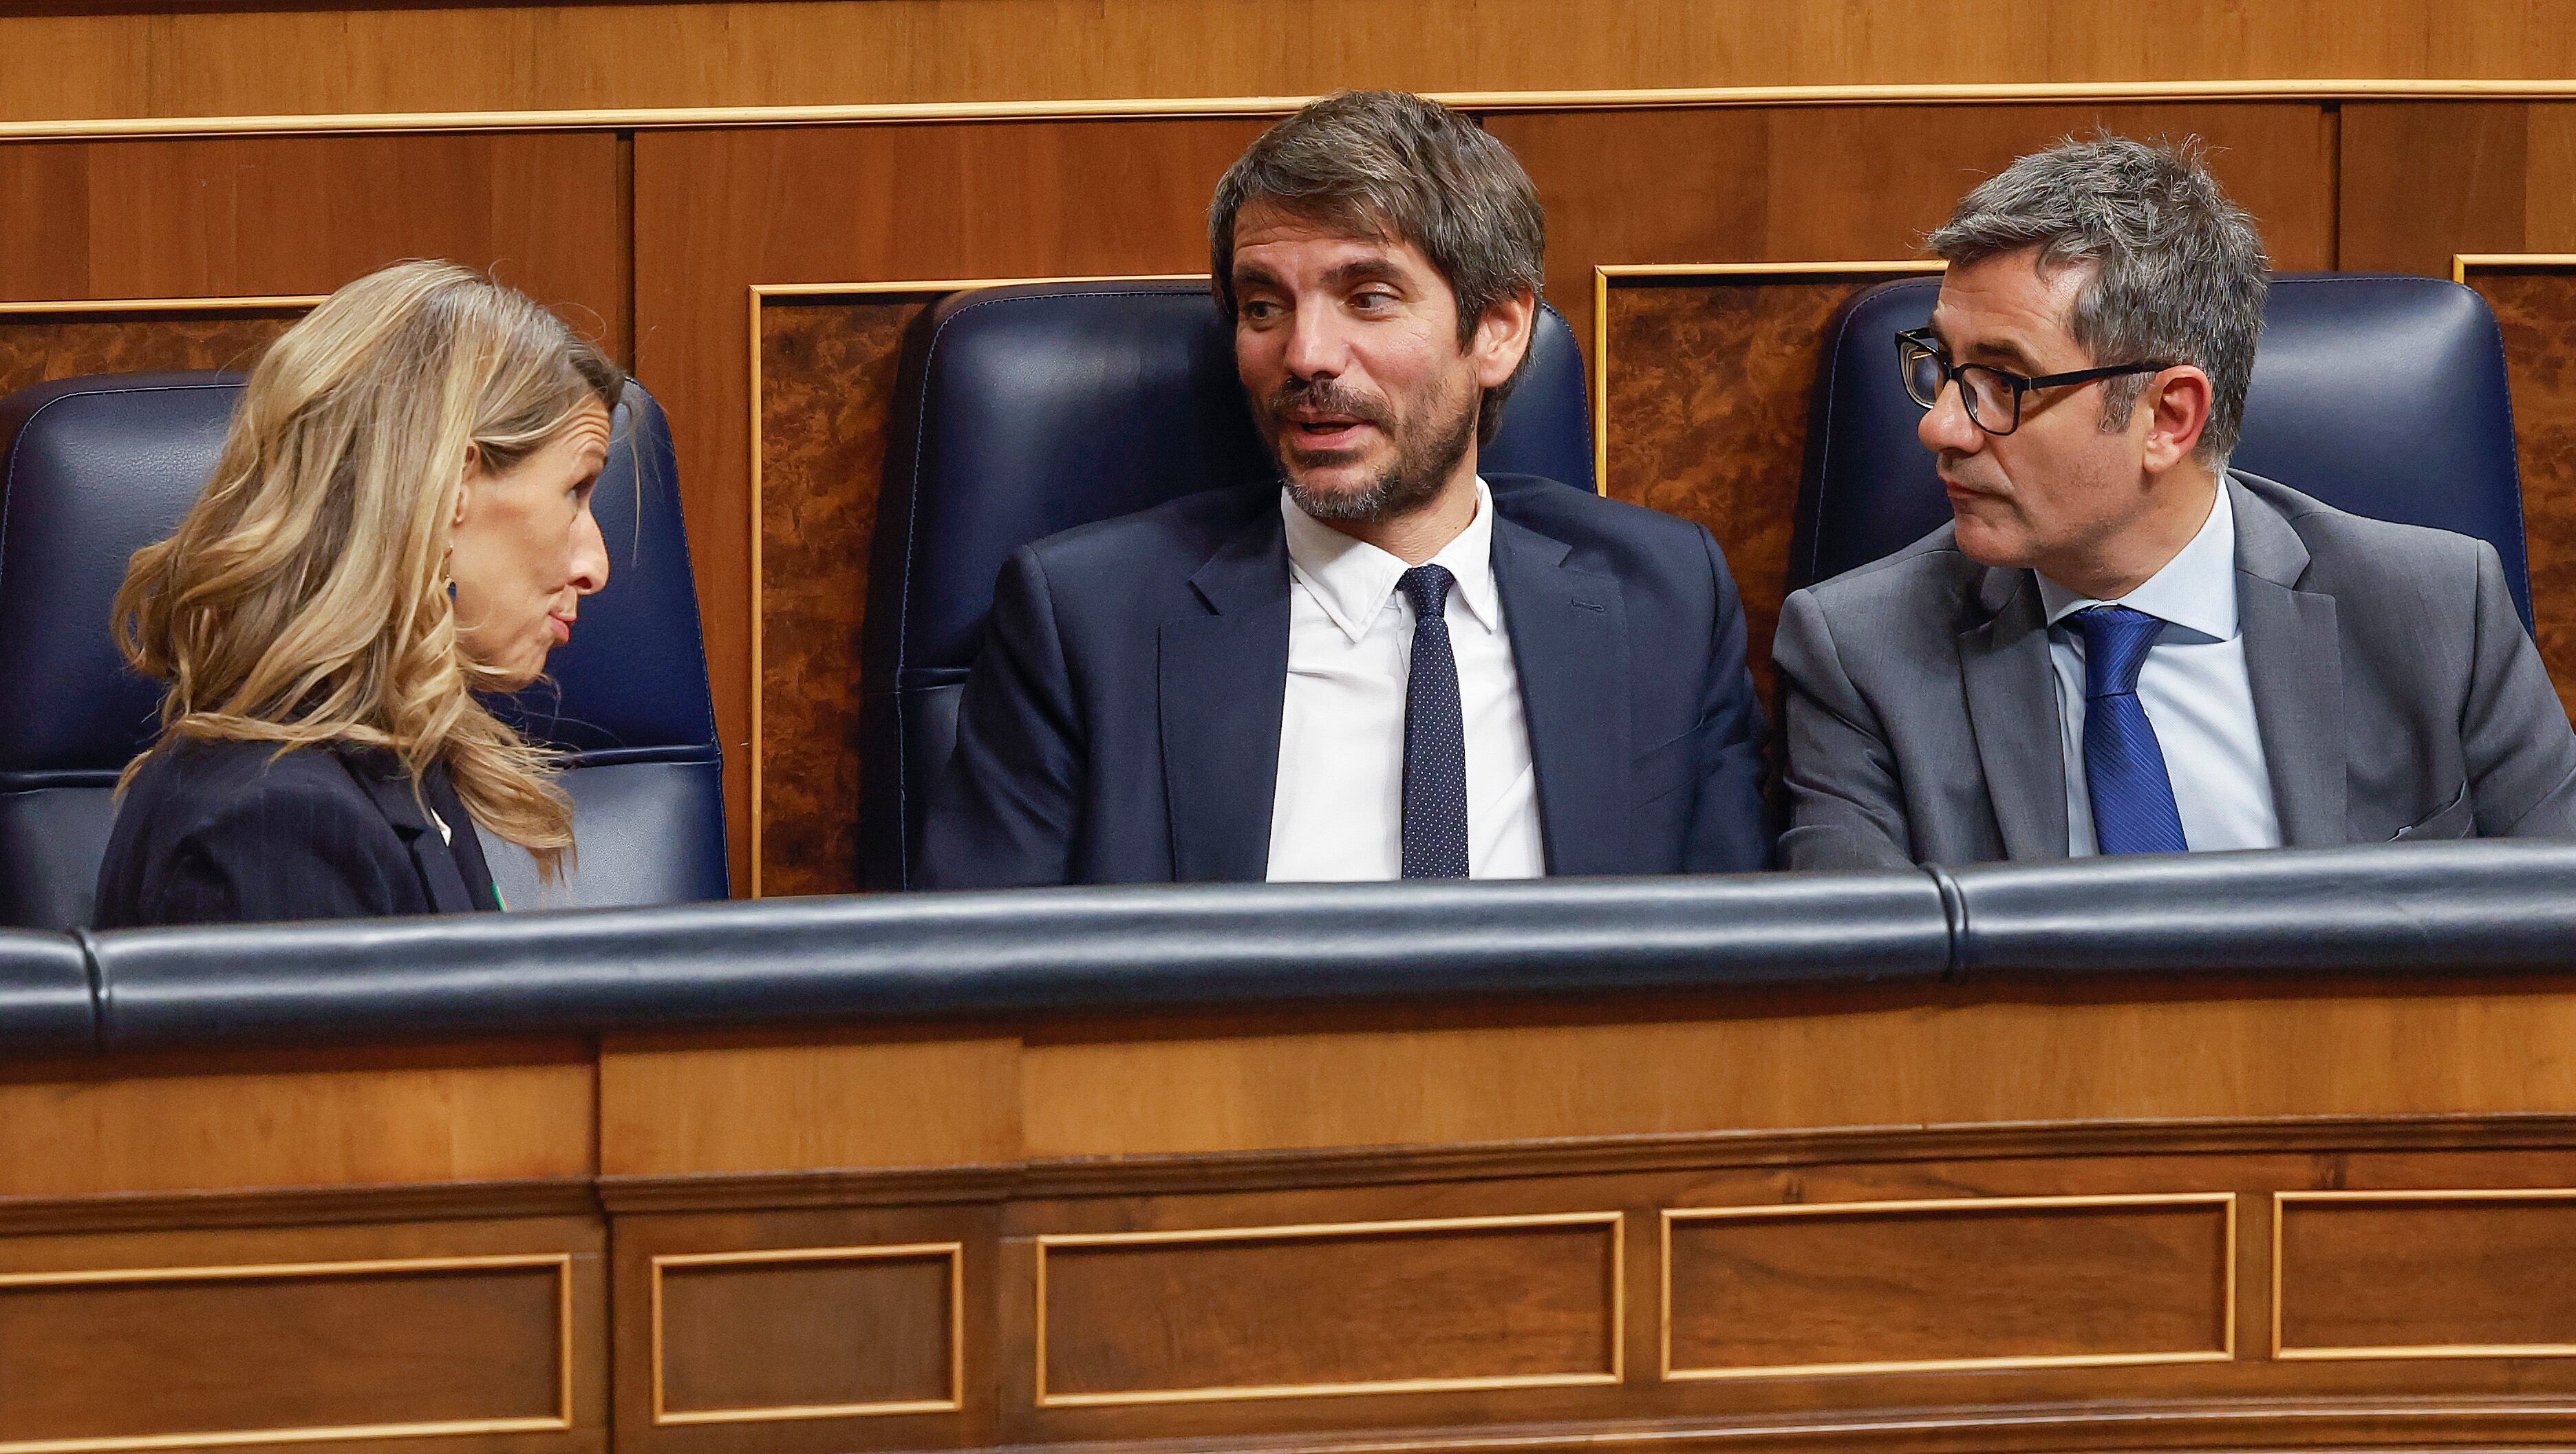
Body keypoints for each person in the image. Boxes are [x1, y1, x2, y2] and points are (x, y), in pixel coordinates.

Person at [919, 90, 1769, 886]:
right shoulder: (1086, 622)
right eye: (1263, 307)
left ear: (1499, 332)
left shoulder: (1664, 600)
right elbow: (977, 994)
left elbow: (1739, 972)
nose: (1304, 355)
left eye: (1368, 298)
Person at [1774, 133, 2576, 868]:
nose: (1941, 426)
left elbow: (2550, 935)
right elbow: (1852, 1003)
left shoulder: (2436, 612)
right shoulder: (1859, 655)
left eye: (2002, 382)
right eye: (1941, 366)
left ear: (2169, 417)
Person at [93, 259, 621, 926]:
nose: (594, 567)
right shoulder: (278, 826)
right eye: (574, 489)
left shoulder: (395, 760)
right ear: (446, 487)